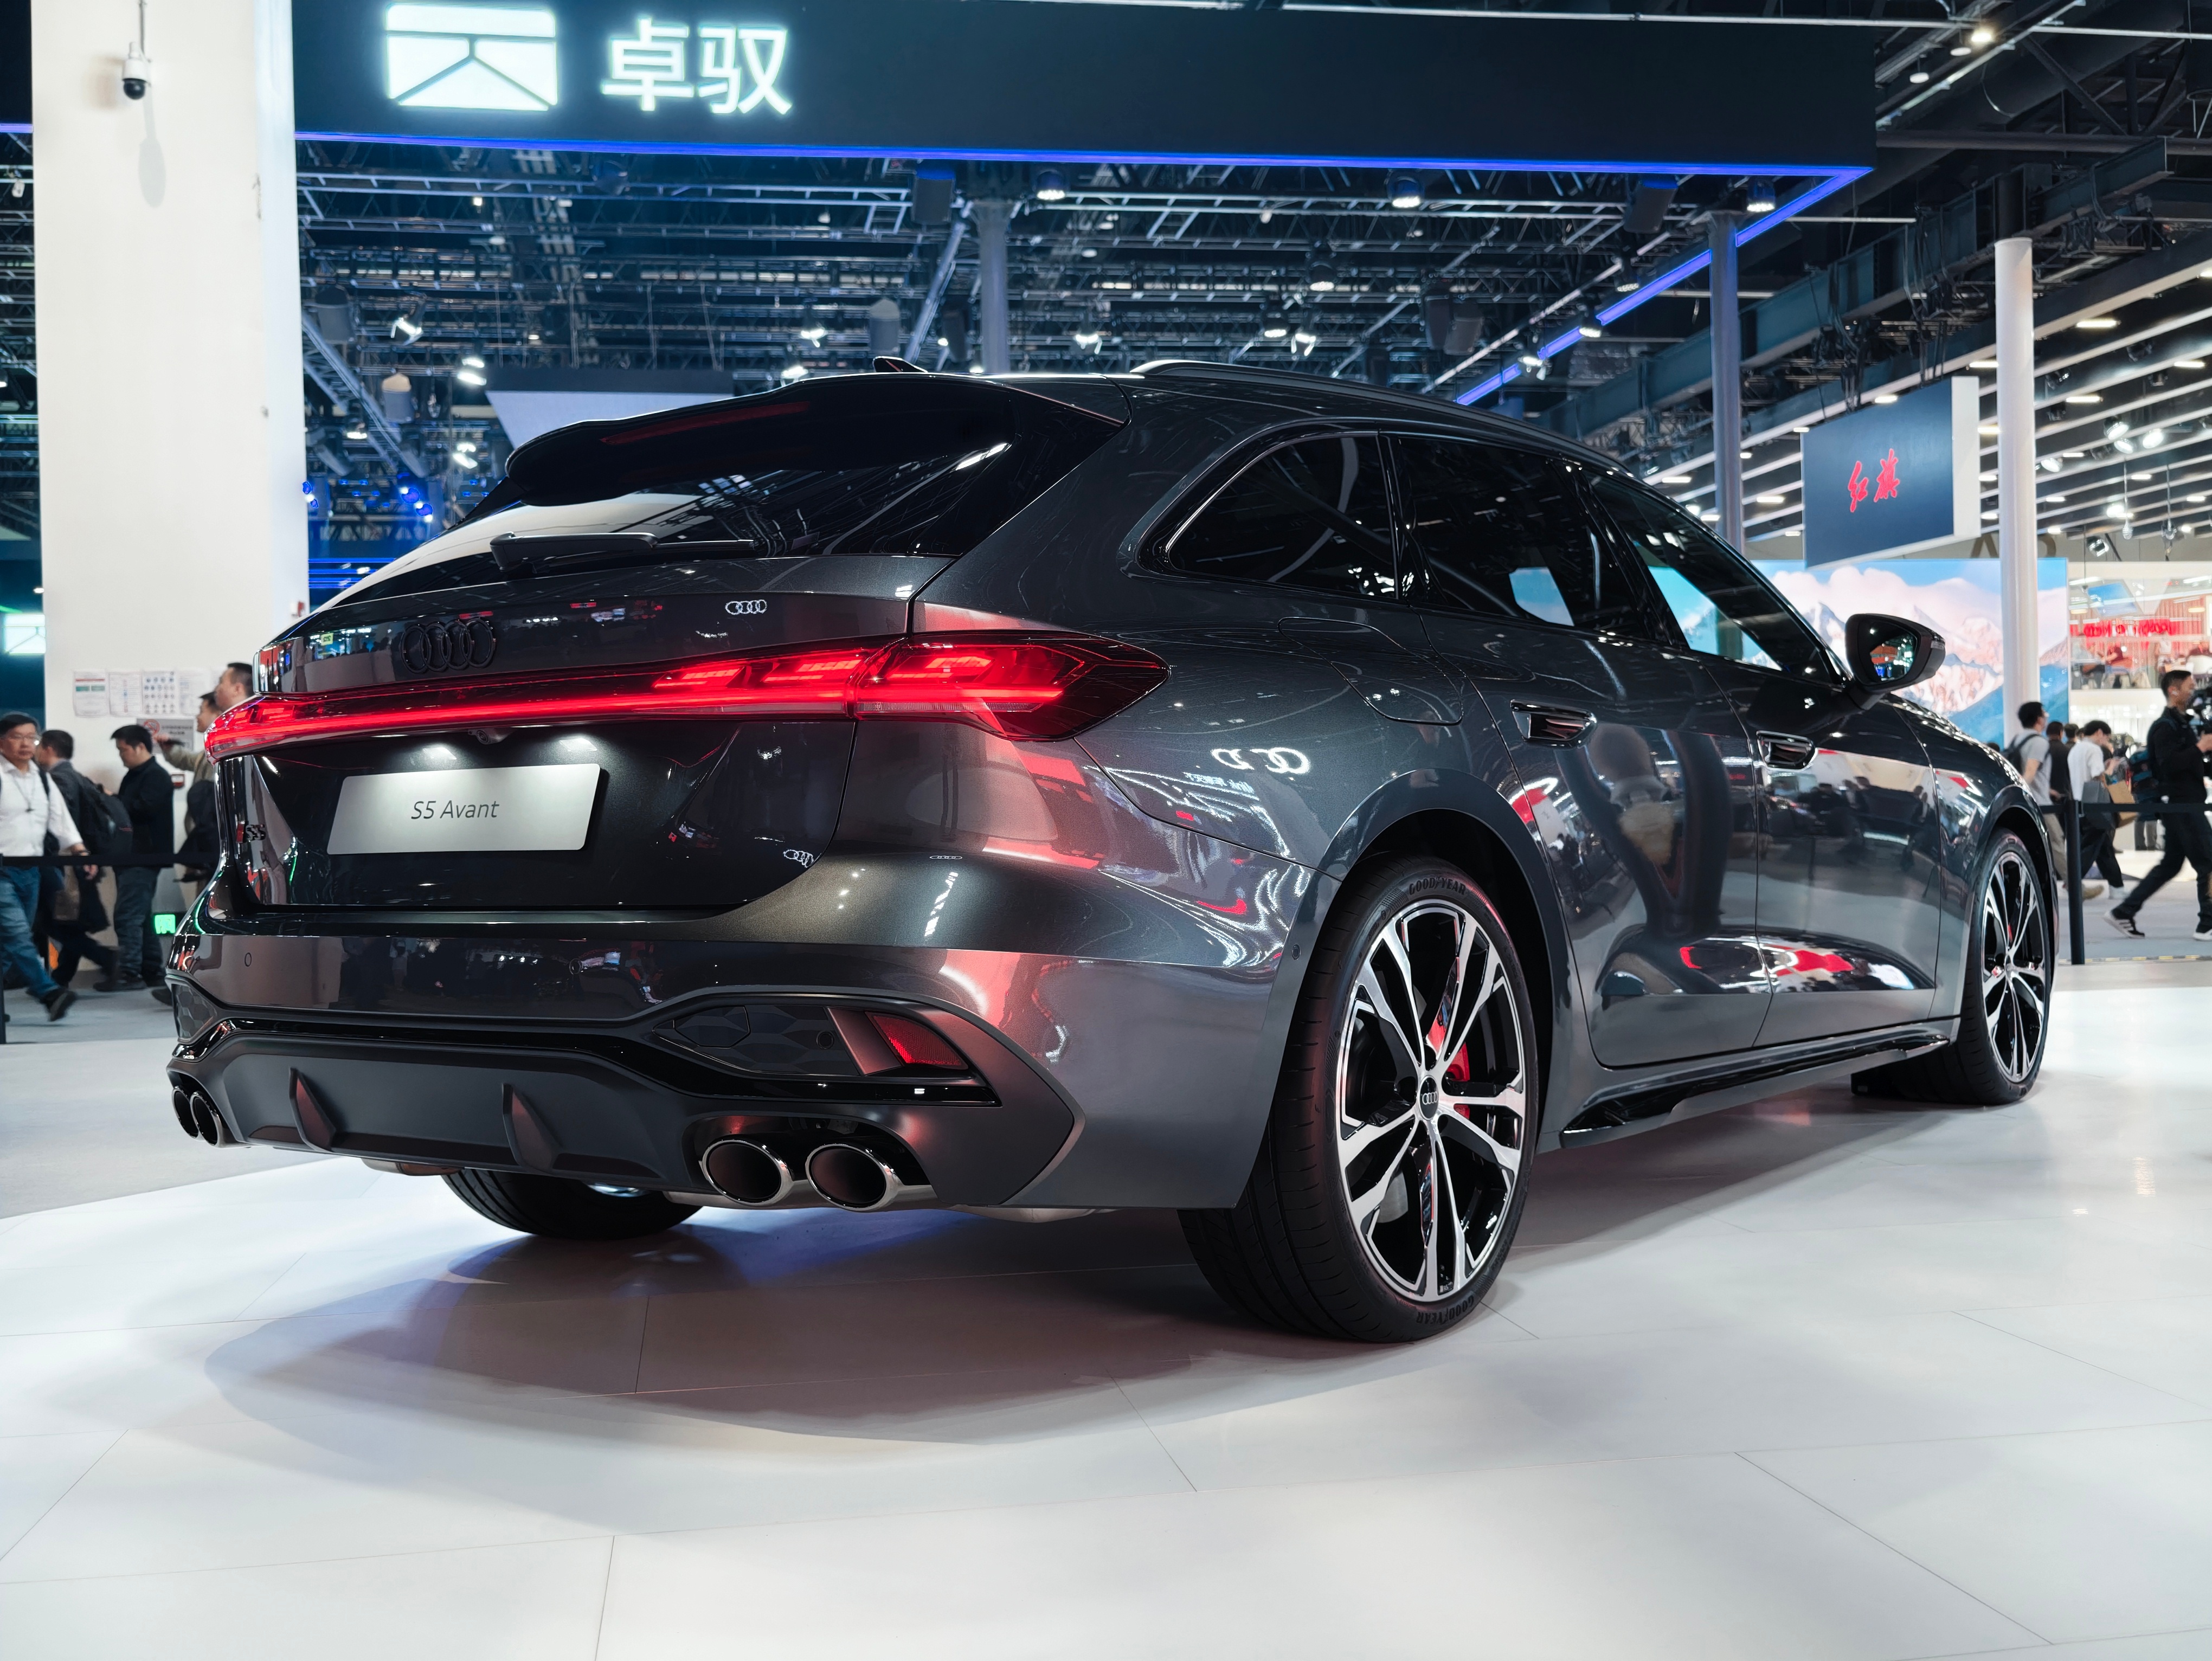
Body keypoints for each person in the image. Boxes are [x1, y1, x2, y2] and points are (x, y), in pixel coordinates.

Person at [2110, 669, 2212, 940]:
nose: (2194, 691)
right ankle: (2207, 925)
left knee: (2171, 865)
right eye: (2190, 686)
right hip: (2180, 804)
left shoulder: (2182, 724)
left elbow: (2190, 764)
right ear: (2173, 690)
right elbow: (2169, 764)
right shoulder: (2164, 727)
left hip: (2185, 803)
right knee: (2209, 862)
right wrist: (2200, 748)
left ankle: (2123, 912)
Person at [0, 711, 82, 1021]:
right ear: (2, 741)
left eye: (31, 738)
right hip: (1, 870)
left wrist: (78, 849)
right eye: (17, 737)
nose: (26, 744)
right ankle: (48, 992)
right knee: (18, 934)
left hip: (31, 871)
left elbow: (60, 819)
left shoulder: (42, 779)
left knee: (8, 944)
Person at [33, 729, 117, 988]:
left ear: (48, 748)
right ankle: (63, 977)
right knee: (67, 923)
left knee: (55, 922)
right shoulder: (77, 777)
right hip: (79, 861)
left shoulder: (58, 779)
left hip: (65, 863)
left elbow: (60, 824)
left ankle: (106, 959)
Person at [102, 723, 175, 998]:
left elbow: (142, 810)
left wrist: (113, 801)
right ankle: (151, 970)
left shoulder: (156, 776)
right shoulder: (134, 775)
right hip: (132, 855)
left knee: (128, 916)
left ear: (140, 747)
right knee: (141, 916)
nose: (121, 755)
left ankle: (130, 973)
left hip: (143, 855)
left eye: (123, 750)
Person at [2068, 719, 2124, 896]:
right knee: (2091, 847)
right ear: (2099, 732)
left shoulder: (2075, 750)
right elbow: (2099, 778)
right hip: (2094, 806)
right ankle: (2073, 882)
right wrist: (2111, 768)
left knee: (2104, 848)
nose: (2106, 741)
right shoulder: (2093, 750)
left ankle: (2117, 888)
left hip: (2079, 804)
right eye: (2106, 737)